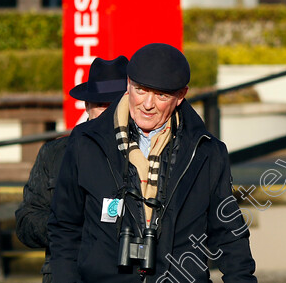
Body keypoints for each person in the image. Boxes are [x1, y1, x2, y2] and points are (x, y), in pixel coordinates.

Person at [48, 42, 256, 283]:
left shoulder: (207, 152)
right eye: (141, 90)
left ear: (180, 96)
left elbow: (229, 235)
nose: (148, 104)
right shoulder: (86, 143)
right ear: (128, 84)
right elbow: (64, 227)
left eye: (161, 95)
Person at [15, 55, 129, 283]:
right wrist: (69, 227)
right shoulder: (55, 153)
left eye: (115, 104)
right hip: (66, 270)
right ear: (87, 106)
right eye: (100, 105)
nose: (107, 113)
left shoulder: (145, 154)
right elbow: (26, 221)